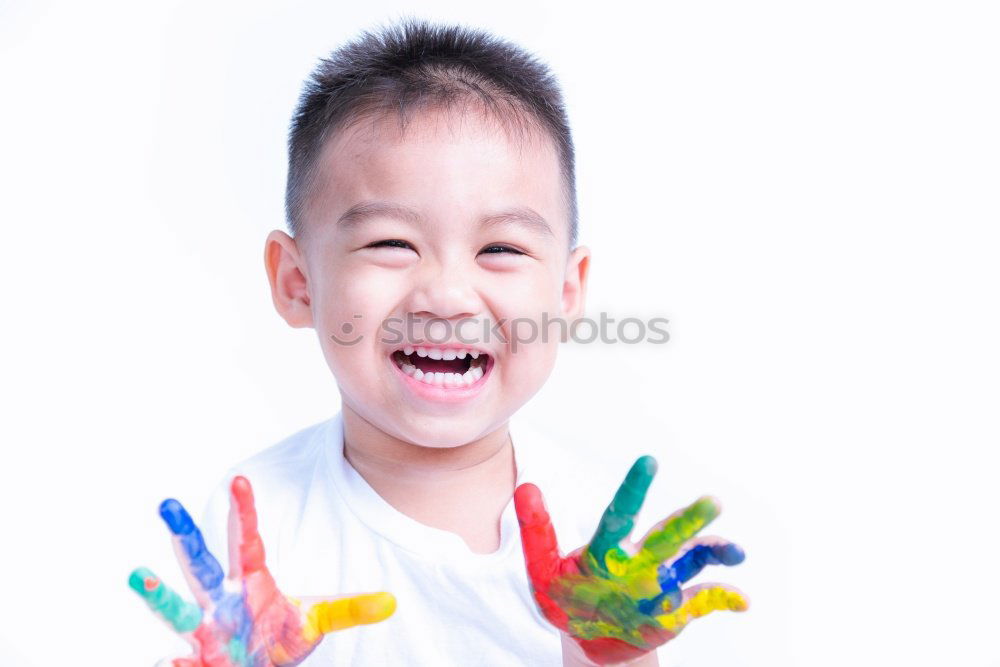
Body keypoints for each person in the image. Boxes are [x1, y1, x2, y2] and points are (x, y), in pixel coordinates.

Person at [130, 17, 748, 666]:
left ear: (567, 291)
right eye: (392, 243)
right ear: (297, 281)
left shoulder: (592, 527)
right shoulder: (259, 523)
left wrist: (611, 653)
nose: (448, 293)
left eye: (501, 248)